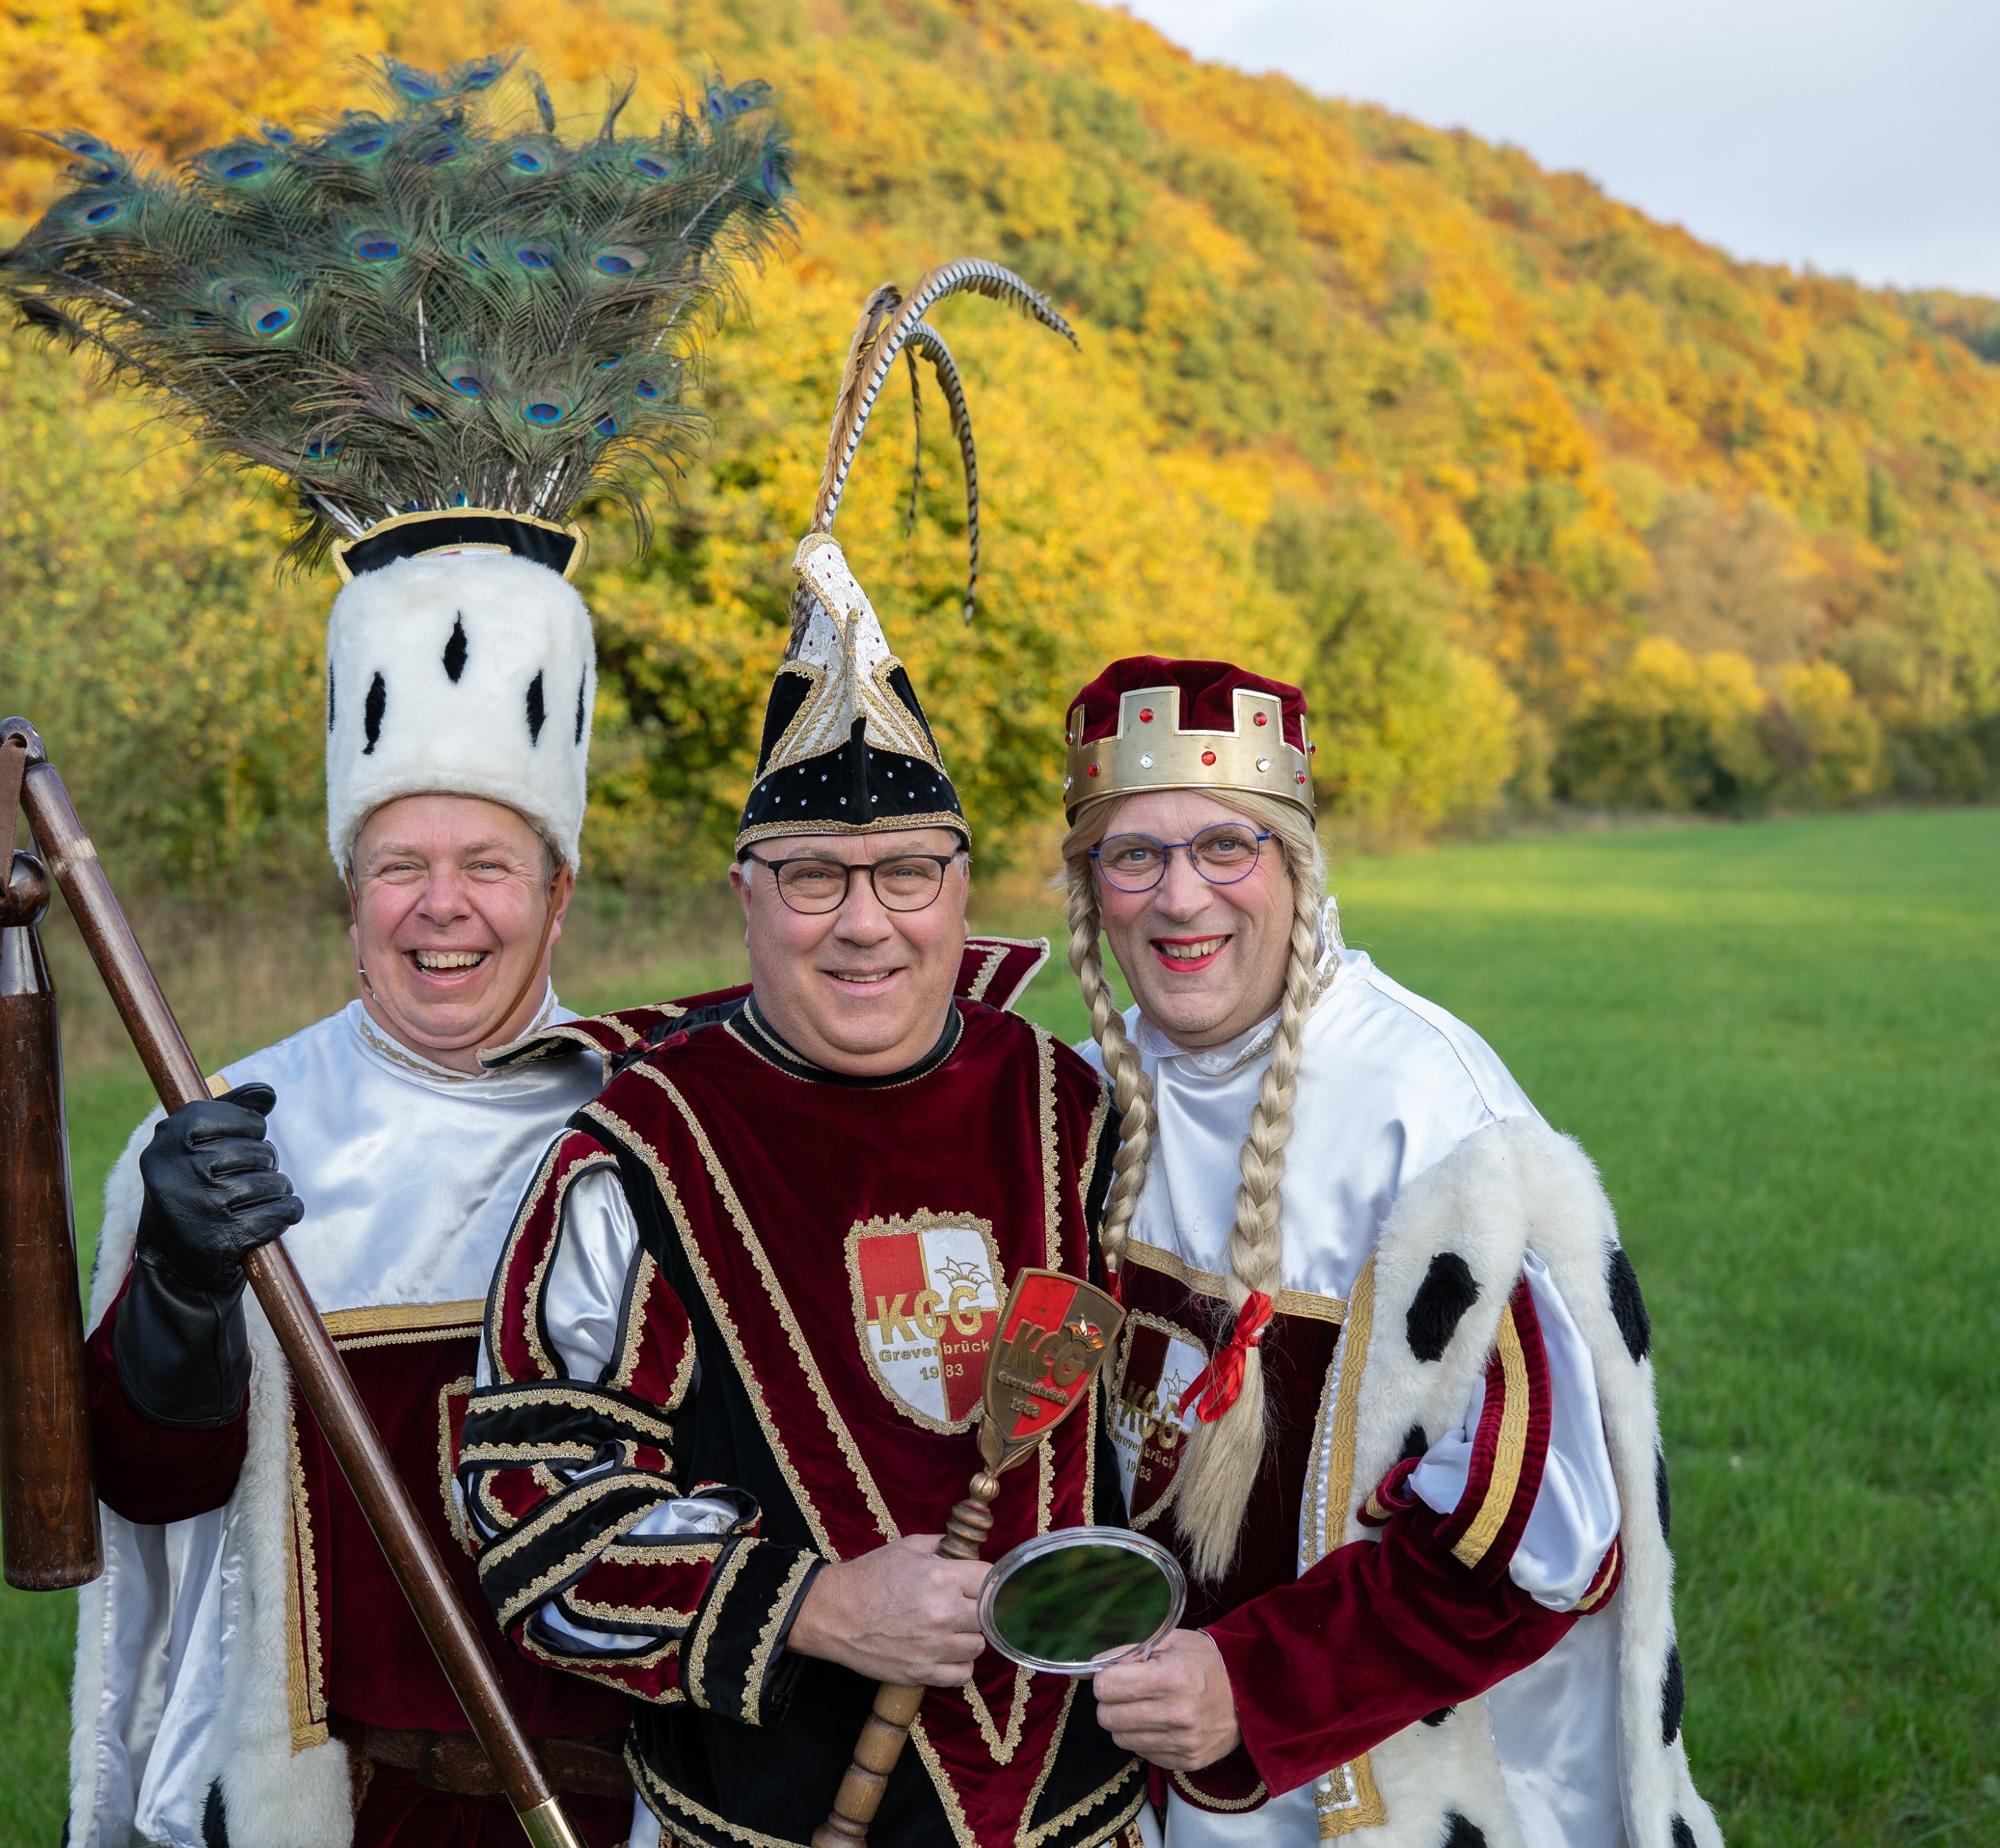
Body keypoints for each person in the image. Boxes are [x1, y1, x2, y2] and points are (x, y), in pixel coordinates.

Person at [0, 53, 804, 1848]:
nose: (442, 906)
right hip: (325, 1807)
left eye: (487, 865)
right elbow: (147, 1488)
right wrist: (184, 1286)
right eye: (399, 866)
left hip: (629, 1805)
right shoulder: (224, 1128)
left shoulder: (669, 1127)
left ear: (558, 895)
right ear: (345, 892)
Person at [459, 527, 1148, 1848]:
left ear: (960, 889)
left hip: (1086, 1819)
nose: (864, 921)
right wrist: (815, 1607)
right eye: (814, 876)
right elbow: (531, 1513)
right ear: (746, 896)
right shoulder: (640, 1149)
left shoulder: (1069, 1104)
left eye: (908, 873)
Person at [1056, 658, 1722, 1848]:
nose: (1180, 897)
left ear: (1297, 863)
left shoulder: (1432, 1117)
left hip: (1378, 1790)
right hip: (1148, 1771)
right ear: (1091, 886)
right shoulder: (1097, 1096)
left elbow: (1541, 1539)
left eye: (1226, 846)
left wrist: (1252, 1685)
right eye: (1134, 854)